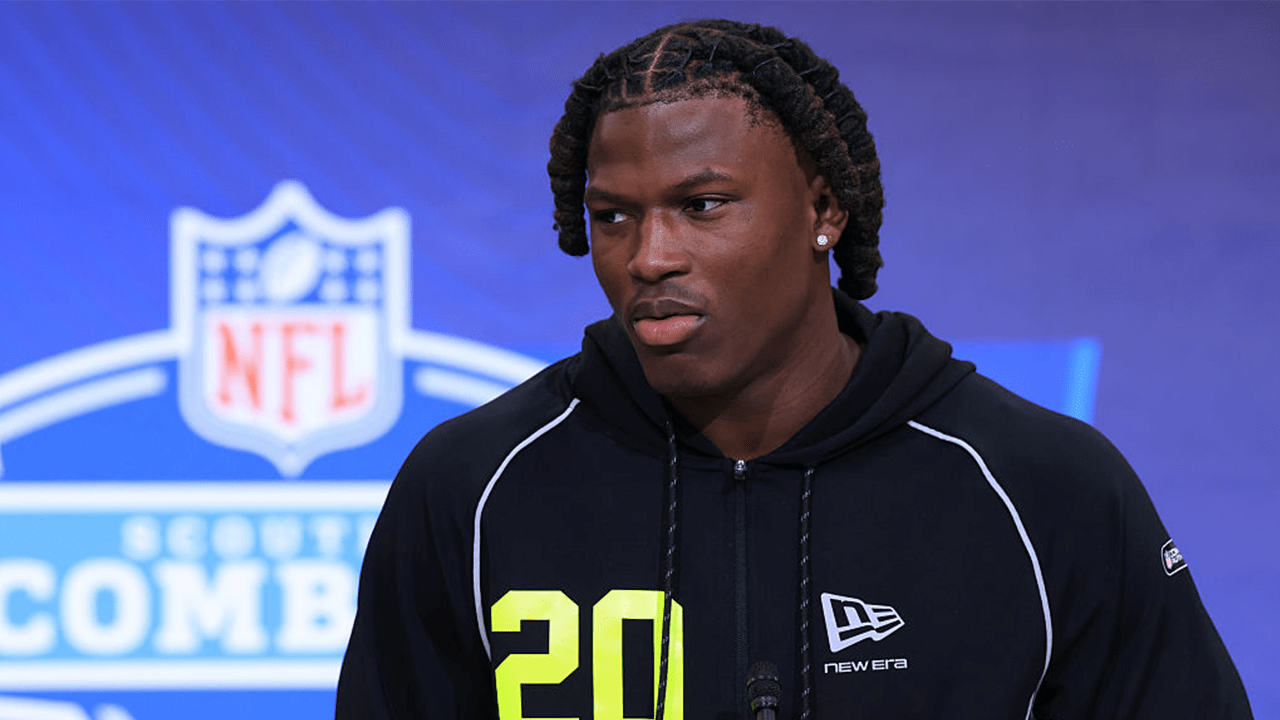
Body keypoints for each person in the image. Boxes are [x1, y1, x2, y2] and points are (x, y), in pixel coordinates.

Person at [336, 19, 1252, 719]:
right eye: (612, 216)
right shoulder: (472, 485)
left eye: (702, 204)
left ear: (823, 210)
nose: (648, 255)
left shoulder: (1042, 485)